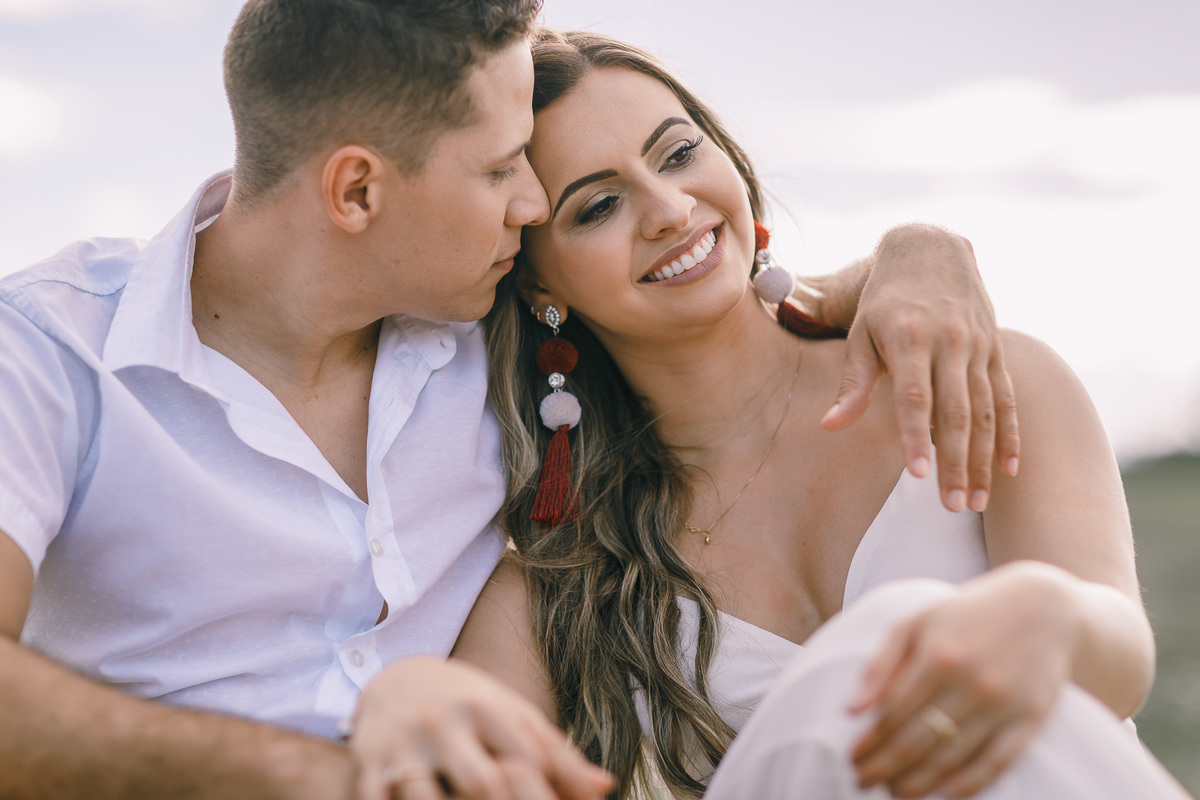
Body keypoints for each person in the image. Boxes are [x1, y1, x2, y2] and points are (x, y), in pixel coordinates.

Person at [0, 2, 1019, 799]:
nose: (529, 206)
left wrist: (911, 255)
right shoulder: (48, 351)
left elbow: (698, 300)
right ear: (357, 192)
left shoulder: (506, 348)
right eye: (500, 171)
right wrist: (327, 776)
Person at [452, 29, 1190, 800]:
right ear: (541, 288)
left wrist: (1053, 617)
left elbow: (1119, 669)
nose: (670, 209)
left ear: (730, 161)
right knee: (888, 636)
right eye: (599, 205)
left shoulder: (973, 379)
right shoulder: (558, 580)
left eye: (677, 155)